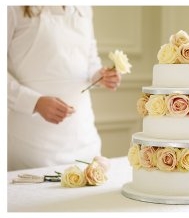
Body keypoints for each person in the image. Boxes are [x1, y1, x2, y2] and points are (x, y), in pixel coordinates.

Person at [7, 6, 121, 171]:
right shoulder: (13, 8)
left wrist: (100, 76)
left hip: (84, 138)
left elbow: (90, 62)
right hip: (31, 146)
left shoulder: (85, 8)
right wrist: (35, 102)